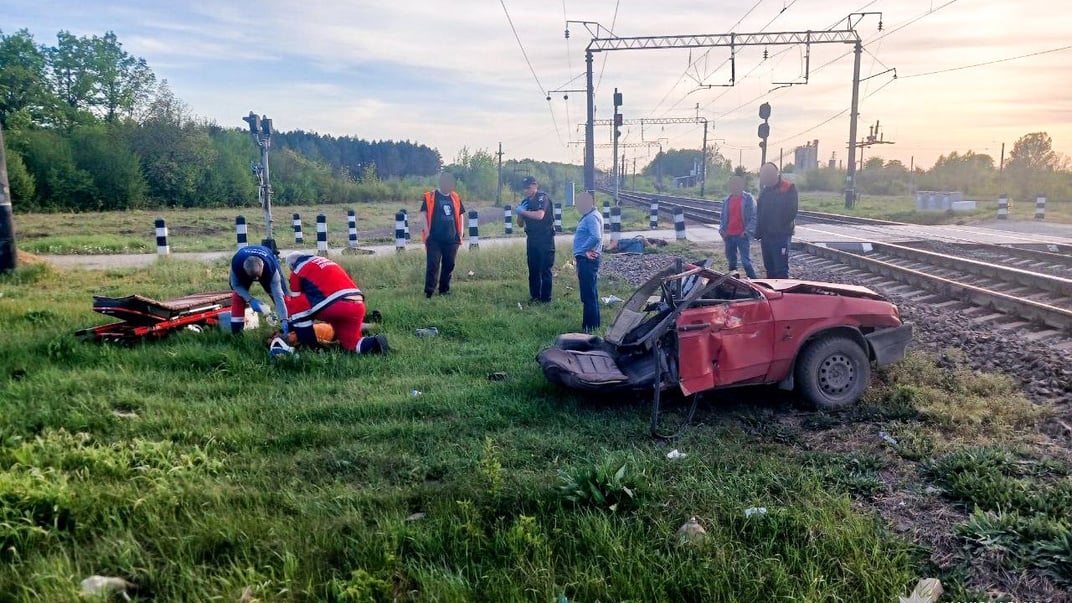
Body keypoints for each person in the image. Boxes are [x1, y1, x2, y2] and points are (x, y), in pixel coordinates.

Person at [284, 253, 388, 354]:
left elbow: (297, 302)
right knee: (351, 344)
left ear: (292, 266)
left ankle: (311, 348)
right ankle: (376, 343)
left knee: (299, 310)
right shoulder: (325, 261)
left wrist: (293, 324)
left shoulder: (297, 270)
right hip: (357, 303)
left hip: (334, 306)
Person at [419, 172, 465, 298]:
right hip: (434, 239)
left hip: (452, 239)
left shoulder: (455, 197)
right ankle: (429, 291)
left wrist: (460, 233)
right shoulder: (430, 196)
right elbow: (423, 214)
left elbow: (461, 214)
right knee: (433, 265)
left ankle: (444, 290)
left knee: (449, 265)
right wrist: (427, 233)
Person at [228, 245, 289, 335]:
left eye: (258, 277)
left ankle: (291, 324)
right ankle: (237, 333)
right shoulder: (237, 265)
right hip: (243, 263)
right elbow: (235, 285)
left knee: (282, 295)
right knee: (238, 297)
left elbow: (278, 294)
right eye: (253, 278)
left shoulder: (270, 268)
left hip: (267, 259)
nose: (256, 280)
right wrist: (250, 299)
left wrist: (284, 319)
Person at [515, 176, 556, 303]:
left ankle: (546, 299)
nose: (526, 190)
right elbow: (520, 224)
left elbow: (540, 215)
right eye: (524, 188)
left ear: (535, 185)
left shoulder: (542, 198)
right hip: (532, 238)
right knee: (533, 269)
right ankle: (535, 297)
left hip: (545, 238)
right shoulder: (525, 201)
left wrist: (524, 212)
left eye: (528, 187)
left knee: (545, 269)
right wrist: (520, 213)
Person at [754, 162, 798, 279]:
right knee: (769, 268)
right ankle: (771, 289)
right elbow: (760, 212)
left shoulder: (788, 188)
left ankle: (783, 289)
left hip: (781, 236)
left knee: (781, 269)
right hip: (766, 236)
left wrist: (778, 226)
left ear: (775, 173)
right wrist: (759, 232)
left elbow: (792, 211)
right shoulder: (764, 191)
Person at [572, 192, 603, 332]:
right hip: (587, 258)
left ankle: (590, 328)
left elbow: (596, 236)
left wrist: (584, 249)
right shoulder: (591, 215)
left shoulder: (591, 217)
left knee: (588, 295)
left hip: (587, 260)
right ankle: (593, 325)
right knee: (590, 293)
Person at [718, 175, 757, 278]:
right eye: (732, 184)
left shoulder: (748, 199)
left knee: (746, 262)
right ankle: (734, 283)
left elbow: (754, 216)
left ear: (742, 185)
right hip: (729, 236)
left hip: (742, 236)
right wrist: (721, 230)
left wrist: (747, 231)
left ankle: (755, 282)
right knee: (732, 263)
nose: (734, 186)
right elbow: (722, 217)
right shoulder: (727, 200)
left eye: (737, 184)